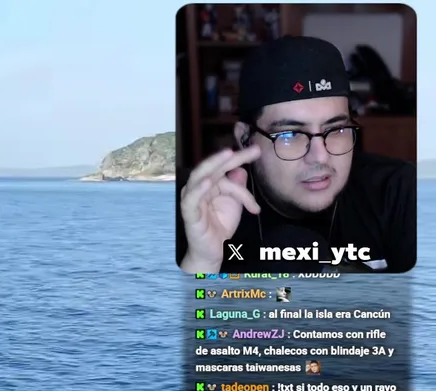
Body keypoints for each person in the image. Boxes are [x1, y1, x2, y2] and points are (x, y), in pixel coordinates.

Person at [177, 35, 416, 275]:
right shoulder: (196, 207)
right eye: (290, 134)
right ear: (245, 138)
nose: (320, 156)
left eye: (336, 129)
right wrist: (202, 262)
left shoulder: (399, 193)